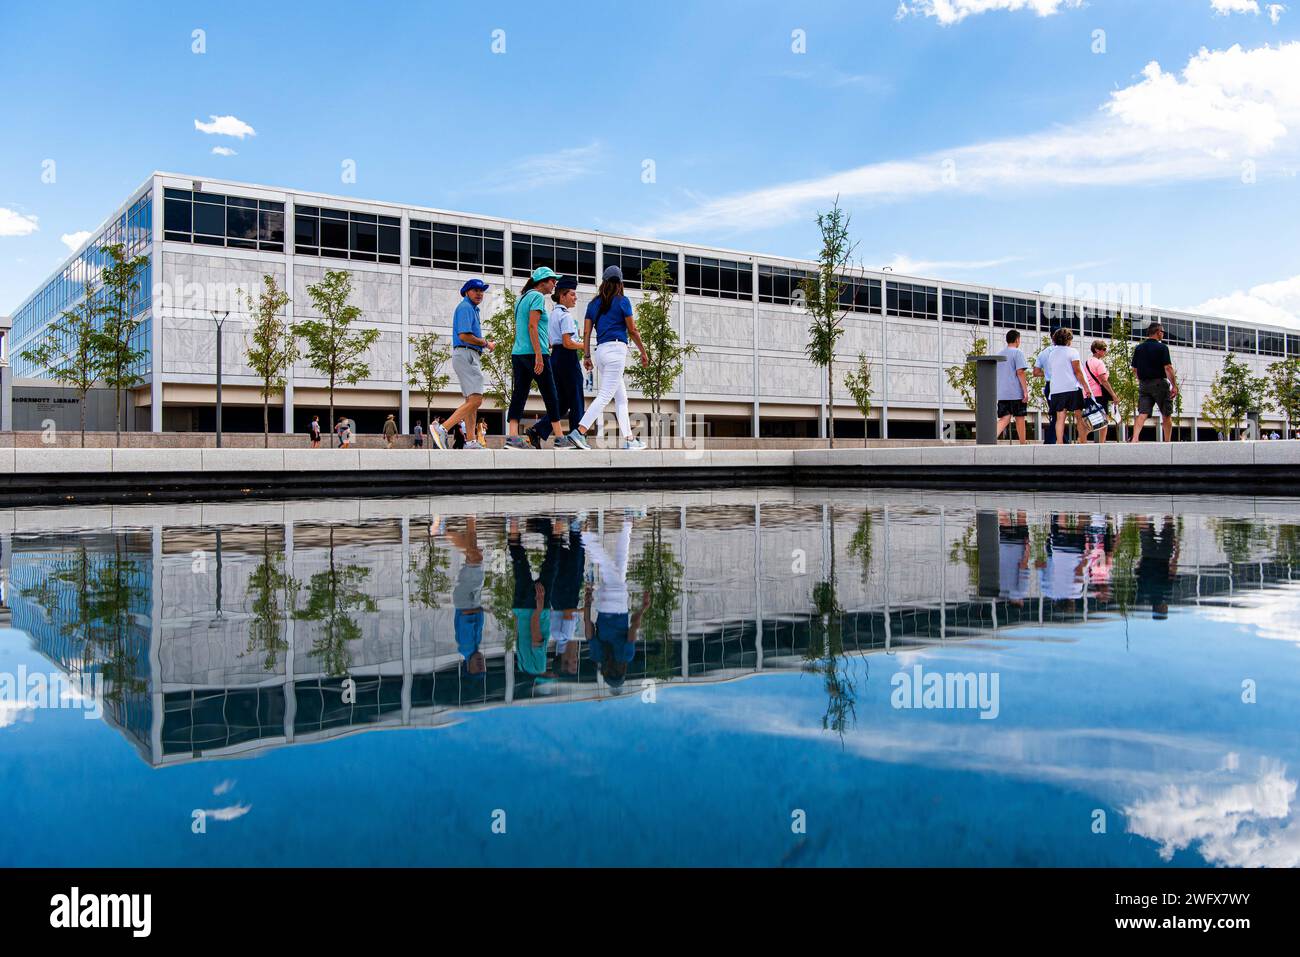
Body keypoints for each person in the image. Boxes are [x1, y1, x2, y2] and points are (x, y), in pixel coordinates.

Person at [566, 265, 650, 451]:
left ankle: (629, 439)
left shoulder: (593, 304)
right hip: (616, 351)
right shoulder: (623, 301)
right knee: (605, 395)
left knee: (621, 398)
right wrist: (643, 352)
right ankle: (579, 431)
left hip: (601, 352)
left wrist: (586, 355)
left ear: (603, 282)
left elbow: (587, 332)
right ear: (620, 283)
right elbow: (633, 330)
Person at [505, 267, 573, 451]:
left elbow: (530, 327)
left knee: (519, 394)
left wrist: (545, 342)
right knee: (551, 395)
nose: (554, 284)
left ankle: (512, 437)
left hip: (518, 353)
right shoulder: (536, 297)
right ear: (542, 281)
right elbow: (532, 326)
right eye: (552, 281)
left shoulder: (521, 299)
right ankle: (559, 438)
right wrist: (539, 355)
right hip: (535, 353)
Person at [582, 512, 649, 693]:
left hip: (619, 606)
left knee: (607, 564)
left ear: (622, 672)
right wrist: (587, 601)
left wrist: (643, 608)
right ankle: (628, 522)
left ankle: (585, 535)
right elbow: (588, 627)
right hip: (602, 607)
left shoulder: (626, 656)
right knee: (620, 566)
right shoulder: (597, 656)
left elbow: (634, 626)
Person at [436, 279, 495, 451]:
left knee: (471, 400)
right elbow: (464, 335)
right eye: (475, 290)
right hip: (467, 353)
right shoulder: (466, 308)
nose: (479, 293)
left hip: (466, 355)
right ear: (466, 292)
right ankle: (442, 428)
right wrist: (485, 343)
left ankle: (470, 441)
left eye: (482, 291)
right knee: (476, 399)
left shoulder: (472, 309)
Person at [1033, 328, 1092, 445]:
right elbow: (1078, 372)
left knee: (1060, 418)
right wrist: (1086, 387)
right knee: (1079, 416)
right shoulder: (1072, 352)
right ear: (1068, 339)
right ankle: (1083, 442)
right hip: (1072, 388)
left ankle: (1060, 444)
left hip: (1056, 389)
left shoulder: (1050, 354)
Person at [547, 277, 586, 437]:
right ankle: (577, 435)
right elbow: (568, 343)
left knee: (562, 402)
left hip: (555, 357)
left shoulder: (553, 315)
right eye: (572, 294)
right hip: (567, 357)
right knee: (576, 399)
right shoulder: (565, 316)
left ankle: (537, 430)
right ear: (562, 295)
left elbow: (550, 342)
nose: (575, 297)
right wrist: (585, 345)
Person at [1130, 321, 1179, 443]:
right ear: (1158, 332)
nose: (1163, 334)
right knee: (1166, 413)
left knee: (1143, 413)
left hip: (1144, 384)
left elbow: (1134, 370)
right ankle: (1167, 442)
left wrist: (1141, 380)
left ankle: (1135, 438)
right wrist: (1174, 385)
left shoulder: (1139, 348)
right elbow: (1168, 368)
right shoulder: (1162, 347)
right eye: (1162, 332)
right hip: (1159, 384)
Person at [995, 330, 1030, 444]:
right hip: (1015, 392)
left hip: (1002, 392)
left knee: (1004, 418)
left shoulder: (999, 354)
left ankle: (990, 438)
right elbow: (1020, 372)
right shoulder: (1017, 352)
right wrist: (1025, 391)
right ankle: (1022, 444)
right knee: (1020, 418)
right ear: (1017, 340)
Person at [1083, 340, 1119, 444]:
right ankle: (1102, 443)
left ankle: (1082, 439)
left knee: (1092, 417)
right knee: (1104, 419)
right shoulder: (1099, 363)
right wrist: (1113, 395)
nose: (1105, 351)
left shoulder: (1086, 362)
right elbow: (1104, 380)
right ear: (1096, 350)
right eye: (1103, 349)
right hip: (1099, 394)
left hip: (1088, 394)